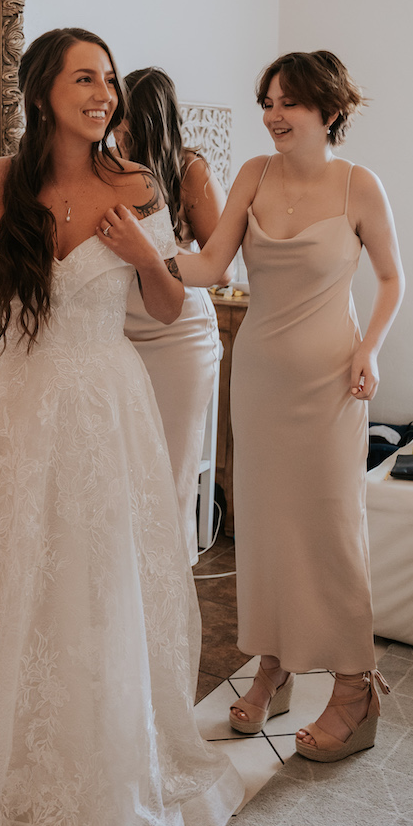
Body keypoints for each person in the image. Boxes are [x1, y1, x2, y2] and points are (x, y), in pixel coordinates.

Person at [0, 27, 244, 826]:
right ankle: (3, 742)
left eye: (109, 80)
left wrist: (142, 258)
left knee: (96, 570)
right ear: (44, 89)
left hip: (104, 401)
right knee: (16, 564)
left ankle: (101, 734)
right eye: (84, 78)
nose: (103, 94)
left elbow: (168, 308)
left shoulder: (134, 185)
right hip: (16, 402)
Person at [178, 50, 404, 762]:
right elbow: (210, 268)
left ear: (328, 111)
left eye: (289, 103)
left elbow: (392, 279)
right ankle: (269, 667)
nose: (273, 115)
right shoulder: (252, 174)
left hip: (332, 383)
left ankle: (352, 685)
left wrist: (368, 347)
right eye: (267, 102)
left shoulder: (357, 187)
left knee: (330, 530)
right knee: (265, 528)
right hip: (259, 378)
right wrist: (133, 249)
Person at [119, 67, 227, 562]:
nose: (115, 129)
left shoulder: (191, 171)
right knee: (125, 469)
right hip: (117, 332)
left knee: (172, 470)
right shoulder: (107, 170)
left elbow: (222, 269)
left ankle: (170, 579)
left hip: (181, 337)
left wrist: (151, 257)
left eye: (123, 119)